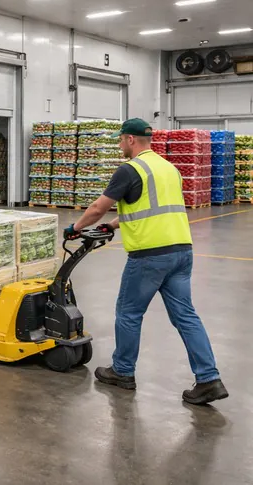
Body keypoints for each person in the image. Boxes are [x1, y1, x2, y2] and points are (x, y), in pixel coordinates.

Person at [62, 118, 228, 405]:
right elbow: (150, 207)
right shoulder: (169, 168)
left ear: (130, 140)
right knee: (186, 317)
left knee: (128, 313)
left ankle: (123, 372)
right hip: (182, 252)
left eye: (120, 140)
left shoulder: (130, 169)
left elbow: (97, 207)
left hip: (150, 255)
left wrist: (75, 228)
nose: (119, 145)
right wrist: (113, 226)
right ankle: (209, 378)